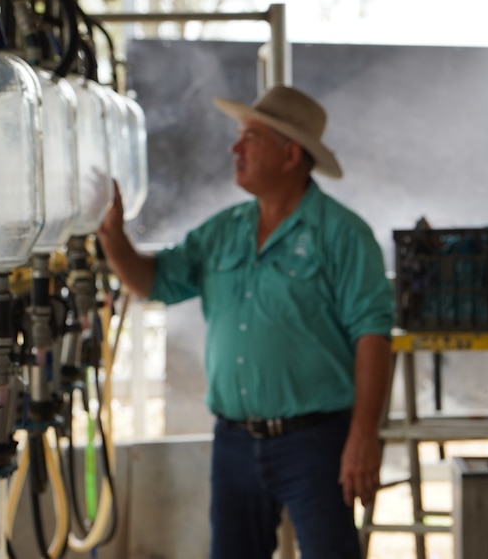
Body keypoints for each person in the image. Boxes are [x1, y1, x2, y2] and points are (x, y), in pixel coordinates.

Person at [97, 85, 394, 559]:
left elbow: (373, 336)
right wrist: (113, 238)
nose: (235, 148)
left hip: (316, 442)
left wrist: (363, 436)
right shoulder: (224, 230)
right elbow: (155, 282)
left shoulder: (342, 234)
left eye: (250, 138)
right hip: (235, 440)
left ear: (289, 154)